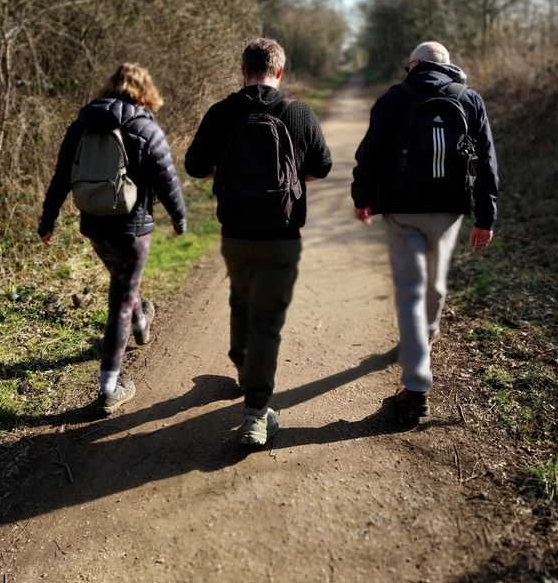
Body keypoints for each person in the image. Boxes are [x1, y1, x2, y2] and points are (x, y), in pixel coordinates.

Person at [185, 38, 332, 445]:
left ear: (242, 69)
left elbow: (195, 166)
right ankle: (255, 414)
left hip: (235, 228)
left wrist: (228, 178)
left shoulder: (222, 112)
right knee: (266, 321)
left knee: (240, 296)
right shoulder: (298, 112)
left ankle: (241, 363)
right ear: (280, 71)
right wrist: (290, 181)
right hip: (281, 232)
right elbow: (323, 165)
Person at [352, 41, 498, 421]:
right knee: (434, 283)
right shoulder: (470, 99)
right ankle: (429, 329)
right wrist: (486, 217)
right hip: (449, 209)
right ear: (449, 66)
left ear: (414, 64)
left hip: (401, 206)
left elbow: (370, 154)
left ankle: (416, 386)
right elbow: (486, 162)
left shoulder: (393, 98)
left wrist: (362, 196)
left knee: (409, 287)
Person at [38, 63, 187, 415]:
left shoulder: (81, 127)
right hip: (132, 229)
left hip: (94, 226)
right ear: (144, 90)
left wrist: (49, 219)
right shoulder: (144, 127)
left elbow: (62, 177)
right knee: (121, 297)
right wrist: (179, 217)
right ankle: (108, 389)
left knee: (123, 283)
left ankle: (141, 323)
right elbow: (167, 178)